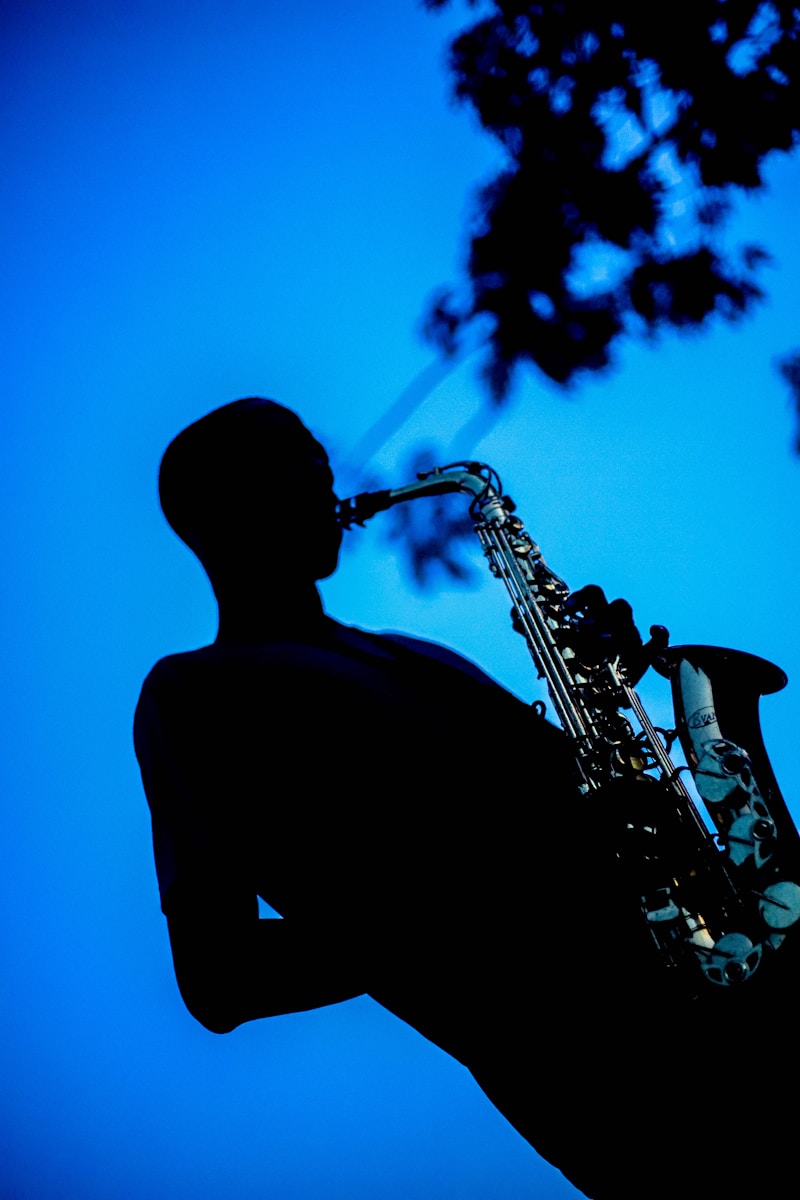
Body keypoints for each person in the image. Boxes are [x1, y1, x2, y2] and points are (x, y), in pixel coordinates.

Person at [135, 397, 797, 1200]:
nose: (322, 470)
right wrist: (477, 903)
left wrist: (613, 684)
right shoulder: (194, 691)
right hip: (608, 1080)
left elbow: (578, 794)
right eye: (287, 455)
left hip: (720, 982)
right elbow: (221, 979)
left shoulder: (414, 652)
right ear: (212, 510)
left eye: (318, 451)